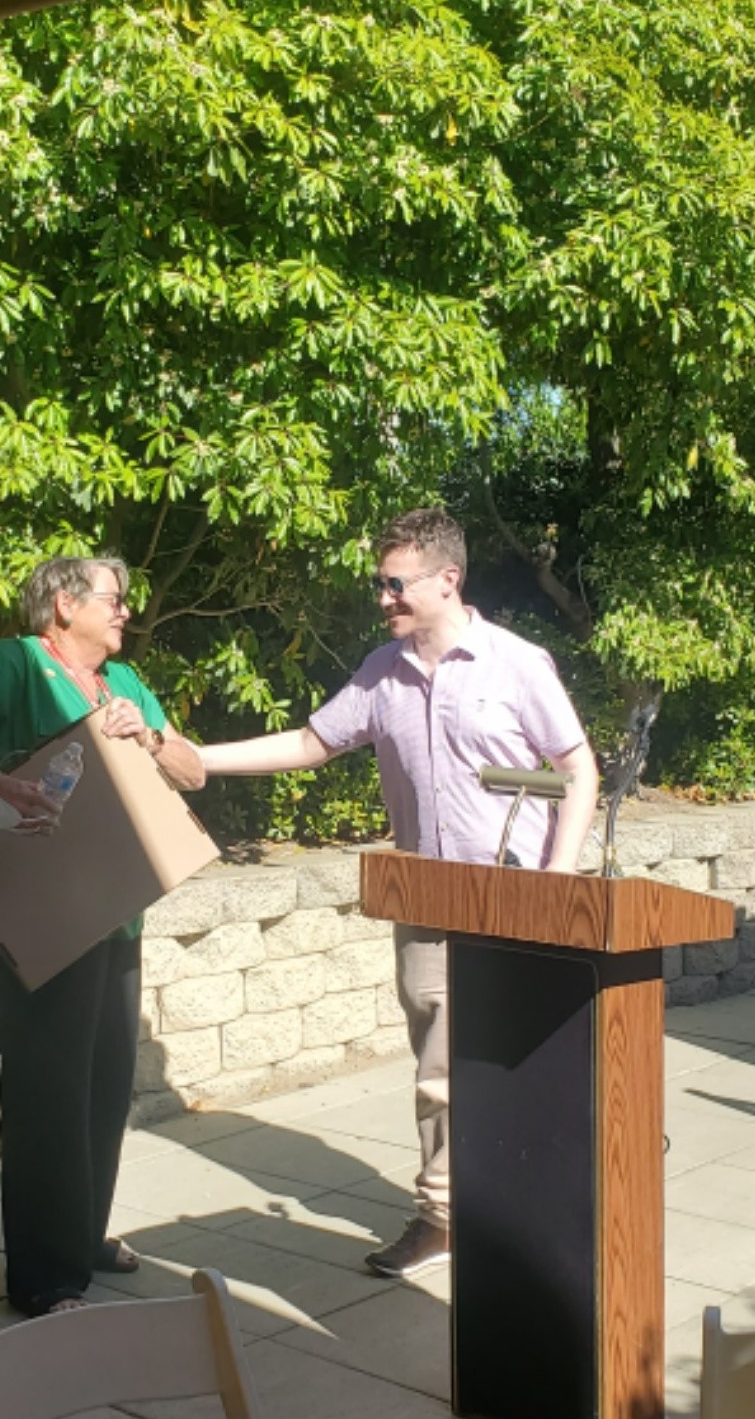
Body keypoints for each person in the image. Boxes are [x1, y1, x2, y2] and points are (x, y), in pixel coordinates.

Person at [195, 508, 597, 1279]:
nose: (382, 597)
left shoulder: (517, 664)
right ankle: (444, 1218)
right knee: (440, 1070)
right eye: (379, 583)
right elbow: (312, 744)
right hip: (424, 900)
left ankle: (522, 1208)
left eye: (394, 583)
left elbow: (576, 767)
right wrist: (201, 759)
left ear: (448, 580)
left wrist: (558, 880)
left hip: (516, 901)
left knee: (523, 1060)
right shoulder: (381, 672)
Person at [0, 555, 205, 1316]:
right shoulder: (14, 663)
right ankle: (42, 1275)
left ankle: (82, 1237)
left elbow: (192, 771)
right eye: (112, 599)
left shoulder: (125, 684)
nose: (125, 612)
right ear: (62, 605)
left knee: (104, 1084)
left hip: (115, 911)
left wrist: (149, 739)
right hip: (35, 912)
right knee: (47, 1086)